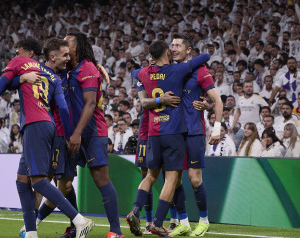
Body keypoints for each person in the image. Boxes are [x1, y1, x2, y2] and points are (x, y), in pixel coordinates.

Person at [0, 38, 93, 238]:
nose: (16, 53)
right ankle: (30, 232)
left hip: (34, 125)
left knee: (38, 181)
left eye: (18, 50)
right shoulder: (53, 76)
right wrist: (69, 134)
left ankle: (80, 220)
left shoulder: (19, 63)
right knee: (22, 181)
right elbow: (62, 108)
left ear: (27, 52)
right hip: (49, 126)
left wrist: (19, 79)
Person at [126, 39, 210, 237]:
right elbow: (205, 57)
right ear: (167, 53)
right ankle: (157, 222)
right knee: (172, 179)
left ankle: (135, 210)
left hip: (153, 133)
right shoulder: (176, 71)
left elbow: (133, 73)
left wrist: (149, 72)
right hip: (173, 133)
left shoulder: (143, 73)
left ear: (151, 57)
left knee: (150, 176)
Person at [64, 32, 122, 238]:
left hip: (92, 132)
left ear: (77, 47)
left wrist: (77, 133)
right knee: (65, 181)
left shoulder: (87, 68)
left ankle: (116, 230)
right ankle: (76, 225)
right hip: (73, 134)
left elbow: (89, 103)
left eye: (66, 43)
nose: (63, 46)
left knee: (101, 179)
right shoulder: (69, 70)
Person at [169, 33, 223, 237]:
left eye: (178, 45)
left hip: (193, 131)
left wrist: (216, 128)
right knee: (173, 179)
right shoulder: (170, 70)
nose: (173, 48)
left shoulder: (200, 71)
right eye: (172, 45)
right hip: (173, 132)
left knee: (194, 178)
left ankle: (203, 221)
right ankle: (183, 222)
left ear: (188, 50)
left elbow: (217, 100)